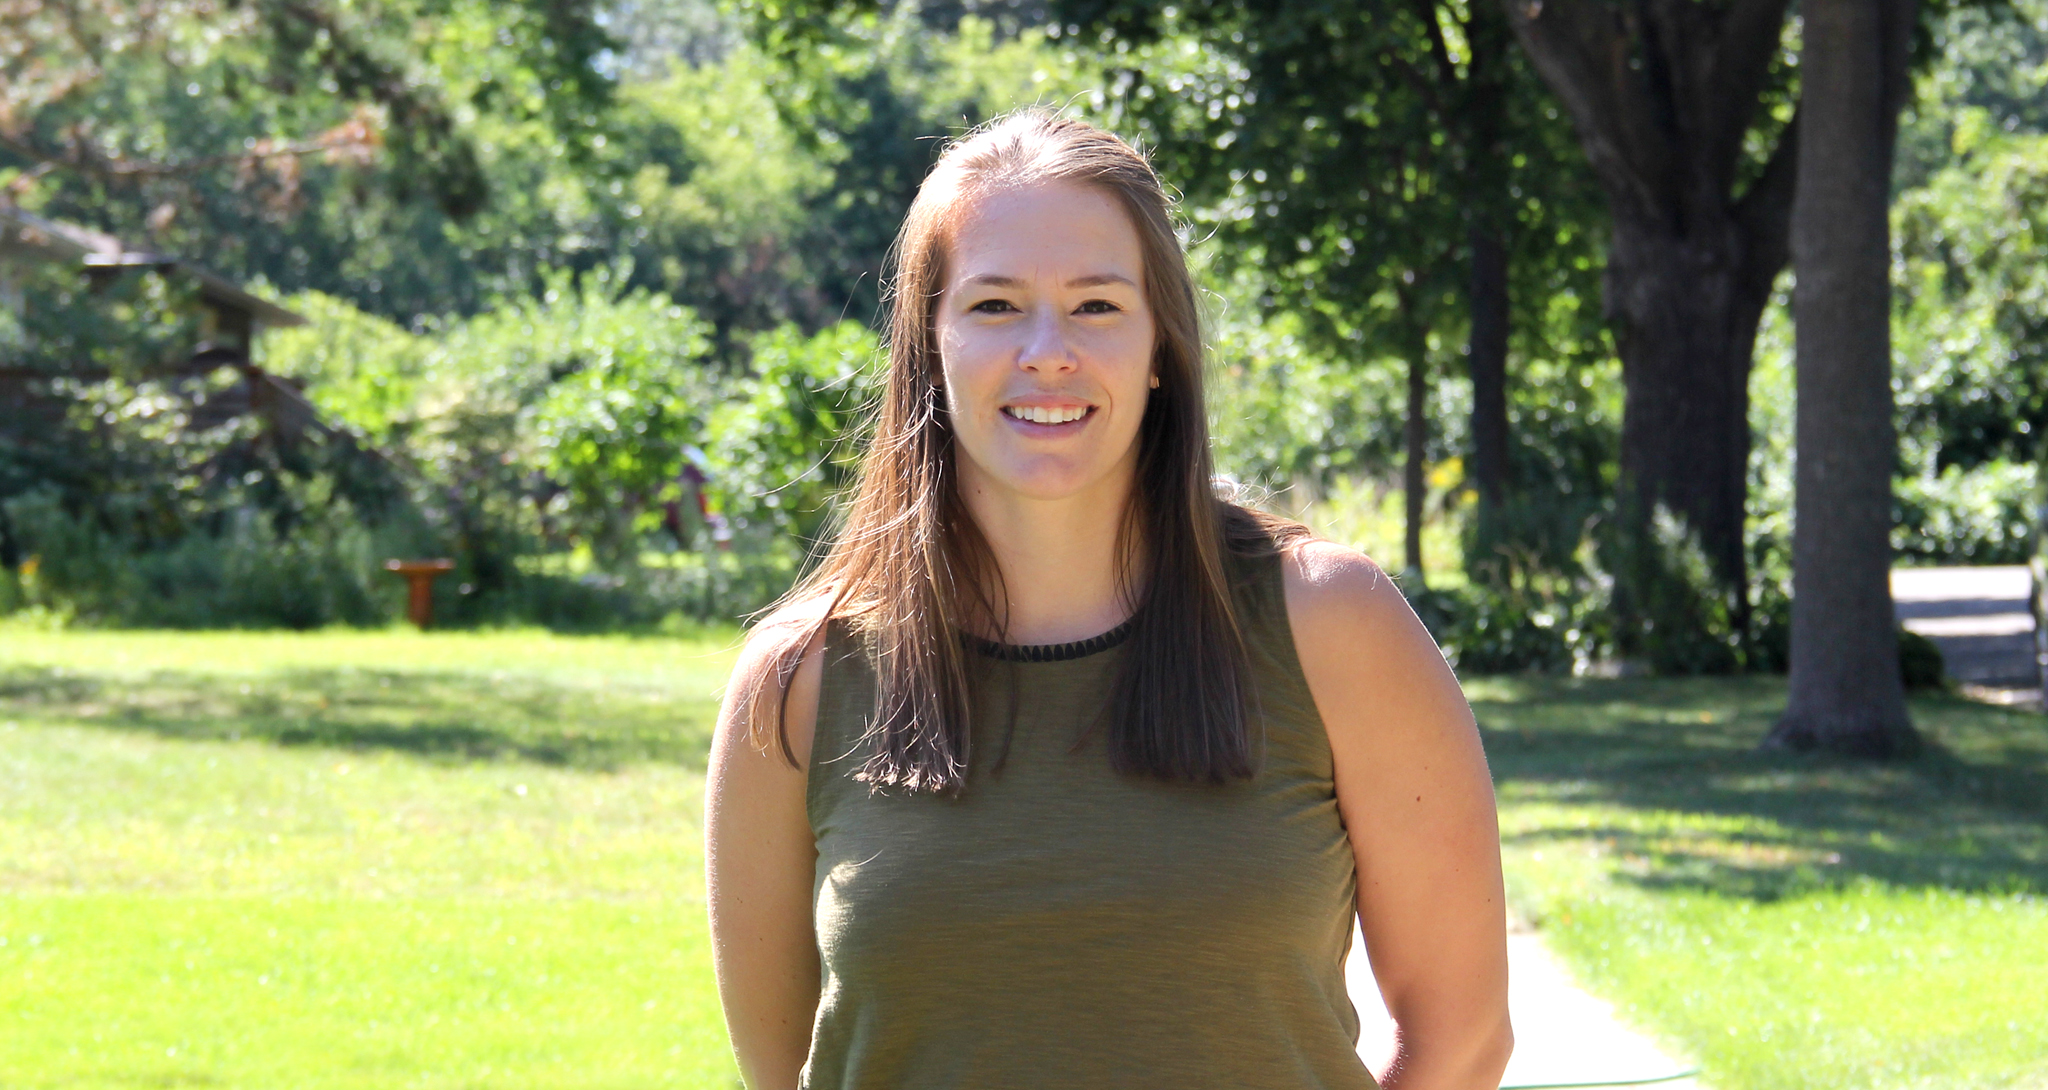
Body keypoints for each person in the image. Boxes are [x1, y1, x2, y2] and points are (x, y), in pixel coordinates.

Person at [706, 110, 1511, 1090]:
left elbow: (1461, 1041)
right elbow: (784, 1070)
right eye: (995, 305)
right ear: (930, 341)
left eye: (1096, 306)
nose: (1047, 351)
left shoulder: (1330, 624)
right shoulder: (796, 679)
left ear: (1159, 345)